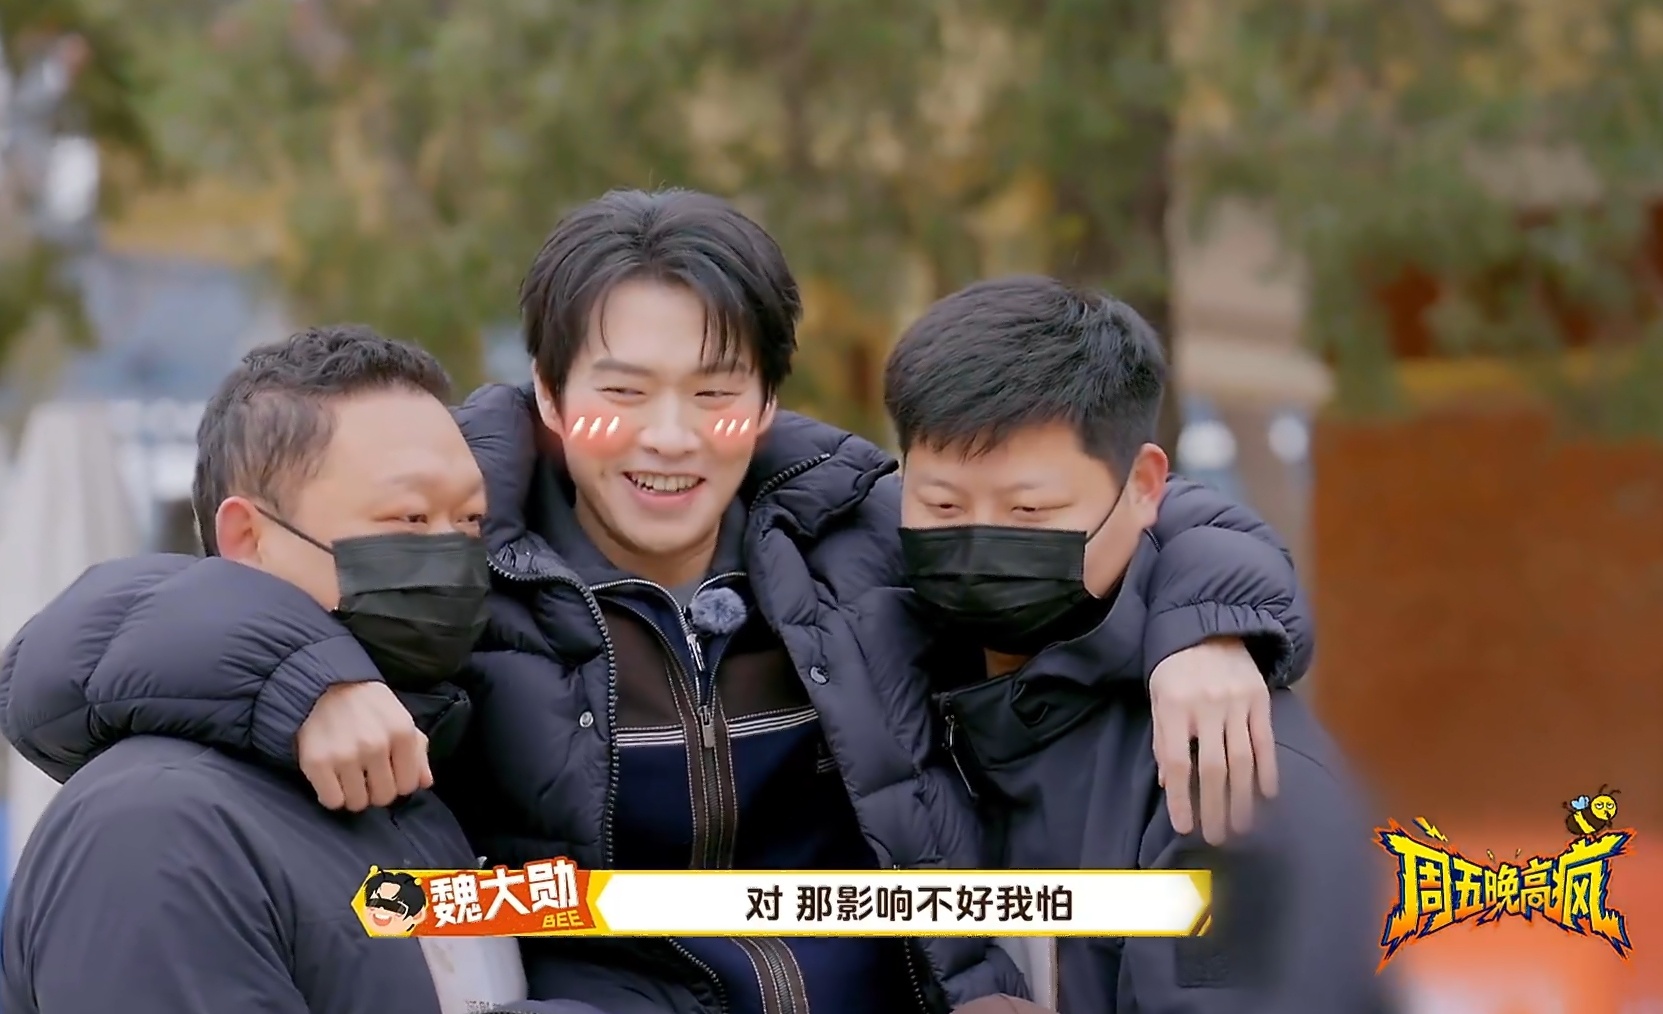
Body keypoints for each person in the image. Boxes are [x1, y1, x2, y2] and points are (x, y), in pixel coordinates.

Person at [16, 190, 1314, 1014]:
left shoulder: (854, 535)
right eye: (620, 391)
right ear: (545, 391)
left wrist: (1207, 627)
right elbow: (78, 652)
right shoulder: (459, 547)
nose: (670, 437)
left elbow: (1122, 510)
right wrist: (307, 679)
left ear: (768, 398)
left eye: (716, 391)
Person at [872, 276, 1386, 1013]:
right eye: (942, 505)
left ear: (1143, 486)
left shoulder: (1226, 767)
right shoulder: (877, 682)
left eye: (1029, 511)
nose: (979, 544)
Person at [0, 326, 531, 1014]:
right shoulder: (159, 826)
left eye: (470, 520)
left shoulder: (406, 787)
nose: (452, 555)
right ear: (248, 538)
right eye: (409, 516)